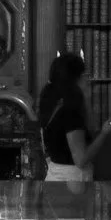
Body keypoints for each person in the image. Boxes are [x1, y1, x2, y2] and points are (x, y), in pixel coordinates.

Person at [37, 51, 91, 183]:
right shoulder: (70, 112)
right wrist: (105, 133)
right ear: (76, 79)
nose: (88, 80)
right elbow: (81, 160)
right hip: (72, 182)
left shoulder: (52, 107)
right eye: (84, 75)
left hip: (55, 177)